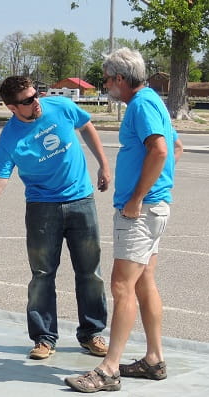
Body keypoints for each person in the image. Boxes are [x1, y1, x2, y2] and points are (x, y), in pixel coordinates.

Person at [0, 75, 112, 360]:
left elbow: (86, 125)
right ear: (12, 107)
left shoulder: (60, 106)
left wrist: (103, 165)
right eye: (28, 100)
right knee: (42, 275)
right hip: (43, 209)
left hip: (81, 201)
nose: (37, 103)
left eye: (37, 95)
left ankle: (92, 333)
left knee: (89, 272)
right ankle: (44, 337)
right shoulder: (10, 138)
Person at [65, 48, 183, 393]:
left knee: (121, 286)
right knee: (145, 281)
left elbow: (162, 150)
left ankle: (108, 369)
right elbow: (177, 148)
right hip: (156, 207)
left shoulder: (142, 105)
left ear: (119, 78)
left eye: (106, 80)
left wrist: (137, 198)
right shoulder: (153, 101)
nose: (105, 86)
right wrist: (157, 187)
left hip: (142, 212)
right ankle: (154, 359)